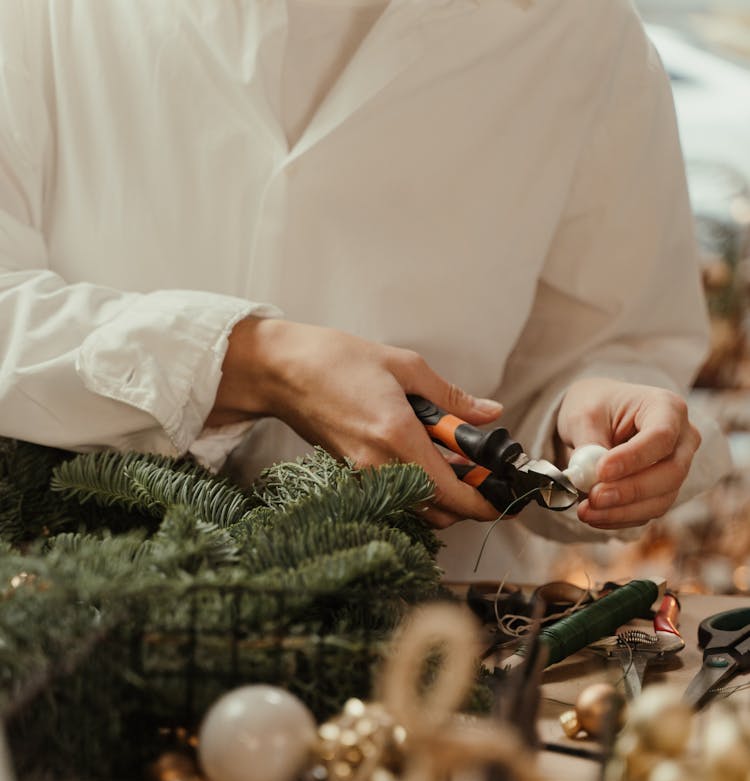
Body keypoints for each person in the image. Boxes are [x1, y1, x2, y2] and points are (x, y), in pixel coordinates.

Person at [0, 0, 731, 580]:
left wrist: (586, 421)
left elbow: (611, 347)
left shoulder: (585, 35)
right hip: (60, 642)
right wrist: (252, 361)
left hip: (429, 668)